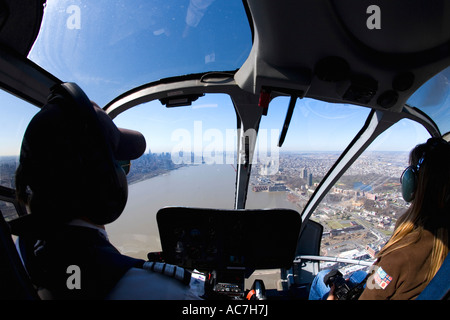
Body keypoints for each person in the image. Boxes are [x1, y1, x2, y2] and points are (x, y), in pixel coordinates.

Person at [13, 82, 203, 300]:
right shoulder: (164, 292)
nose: (124, 174)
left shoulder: (21, 252)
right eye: (122, 165)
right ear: (102, 181)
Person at [310, 137, 450, 300]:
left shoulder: (401, 254)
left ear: (412, 184)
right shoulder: (439, 240)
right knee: (358, 276)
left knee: (322, 278)